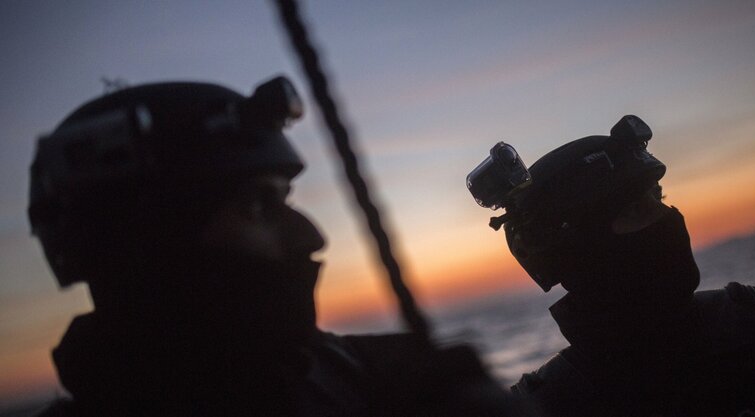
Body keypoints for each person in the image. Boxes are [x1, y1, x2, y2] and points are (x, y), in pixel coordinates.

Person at [29, 76, 533, 417]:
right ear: (141, 248)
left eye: (284, 200)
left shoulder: (359, 372)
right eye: (256, 207)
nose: (312, 236)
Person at [466, 115, 755, 417]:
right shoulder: (554, 405)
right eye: (636, 209)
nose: (668, 218)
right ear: (579, 254)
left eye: (659, 197)